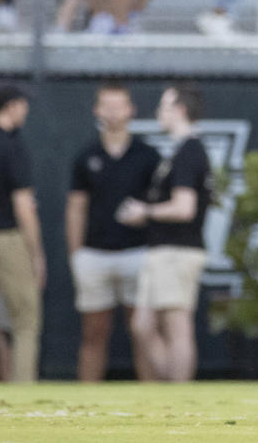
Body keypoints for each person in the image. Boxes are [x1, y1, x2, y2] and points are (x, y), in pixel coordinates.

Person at [65, 82, 161, 381]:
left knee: (142, 332)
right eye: (107, 105)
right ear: (97, 110)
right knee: (93, 333)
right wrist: (76, 254)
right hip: (94, 256)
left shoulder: (149, 156)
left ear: (131, 110)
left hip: (138, 253)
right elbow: (76, 208)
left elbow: (159, 208)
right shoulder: (85, 157)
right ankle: (83, 408)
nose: (113, 112)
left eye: (119, 105)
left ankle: (153, 404)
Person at [117, 84, 211, 382]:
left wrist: (144, 212)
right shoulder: (181, 151)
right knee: (142, 325)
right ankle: (166, 387)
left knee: (176, 325)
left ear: (180, 110)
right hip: (163, 250)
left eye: (164, 106)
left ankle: (177, 393)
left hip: (177, 250)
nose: (159, 112)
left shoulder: (189, 151)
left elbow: (185, 208)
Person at [0, 82, 44, 382]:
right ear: (12, 105)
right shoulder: (11, 144)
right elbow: (23, 205)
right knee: (26, 320)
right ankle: (23, 389)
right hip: (7, 237)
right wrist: (37, 254)